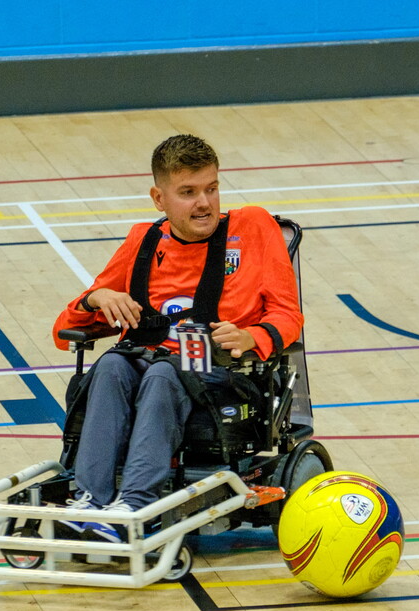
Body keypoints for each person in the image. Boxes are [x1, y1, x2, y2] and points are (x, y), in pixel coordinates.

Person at [51, 134, 303, 542]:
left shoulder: (254, 226)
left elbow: (288, 316)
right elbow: (63, 330)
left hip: (225, 378)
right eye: (187, 192)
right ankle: (91, 501)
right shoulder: (143, 241)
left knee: (164, 374)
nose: (204, 203)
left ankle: (134, 503)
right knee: (113, 364)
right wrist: (99, 296)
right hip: (151, 365)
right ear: (159, 198)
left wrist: (251, 335)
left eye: (211, 188)